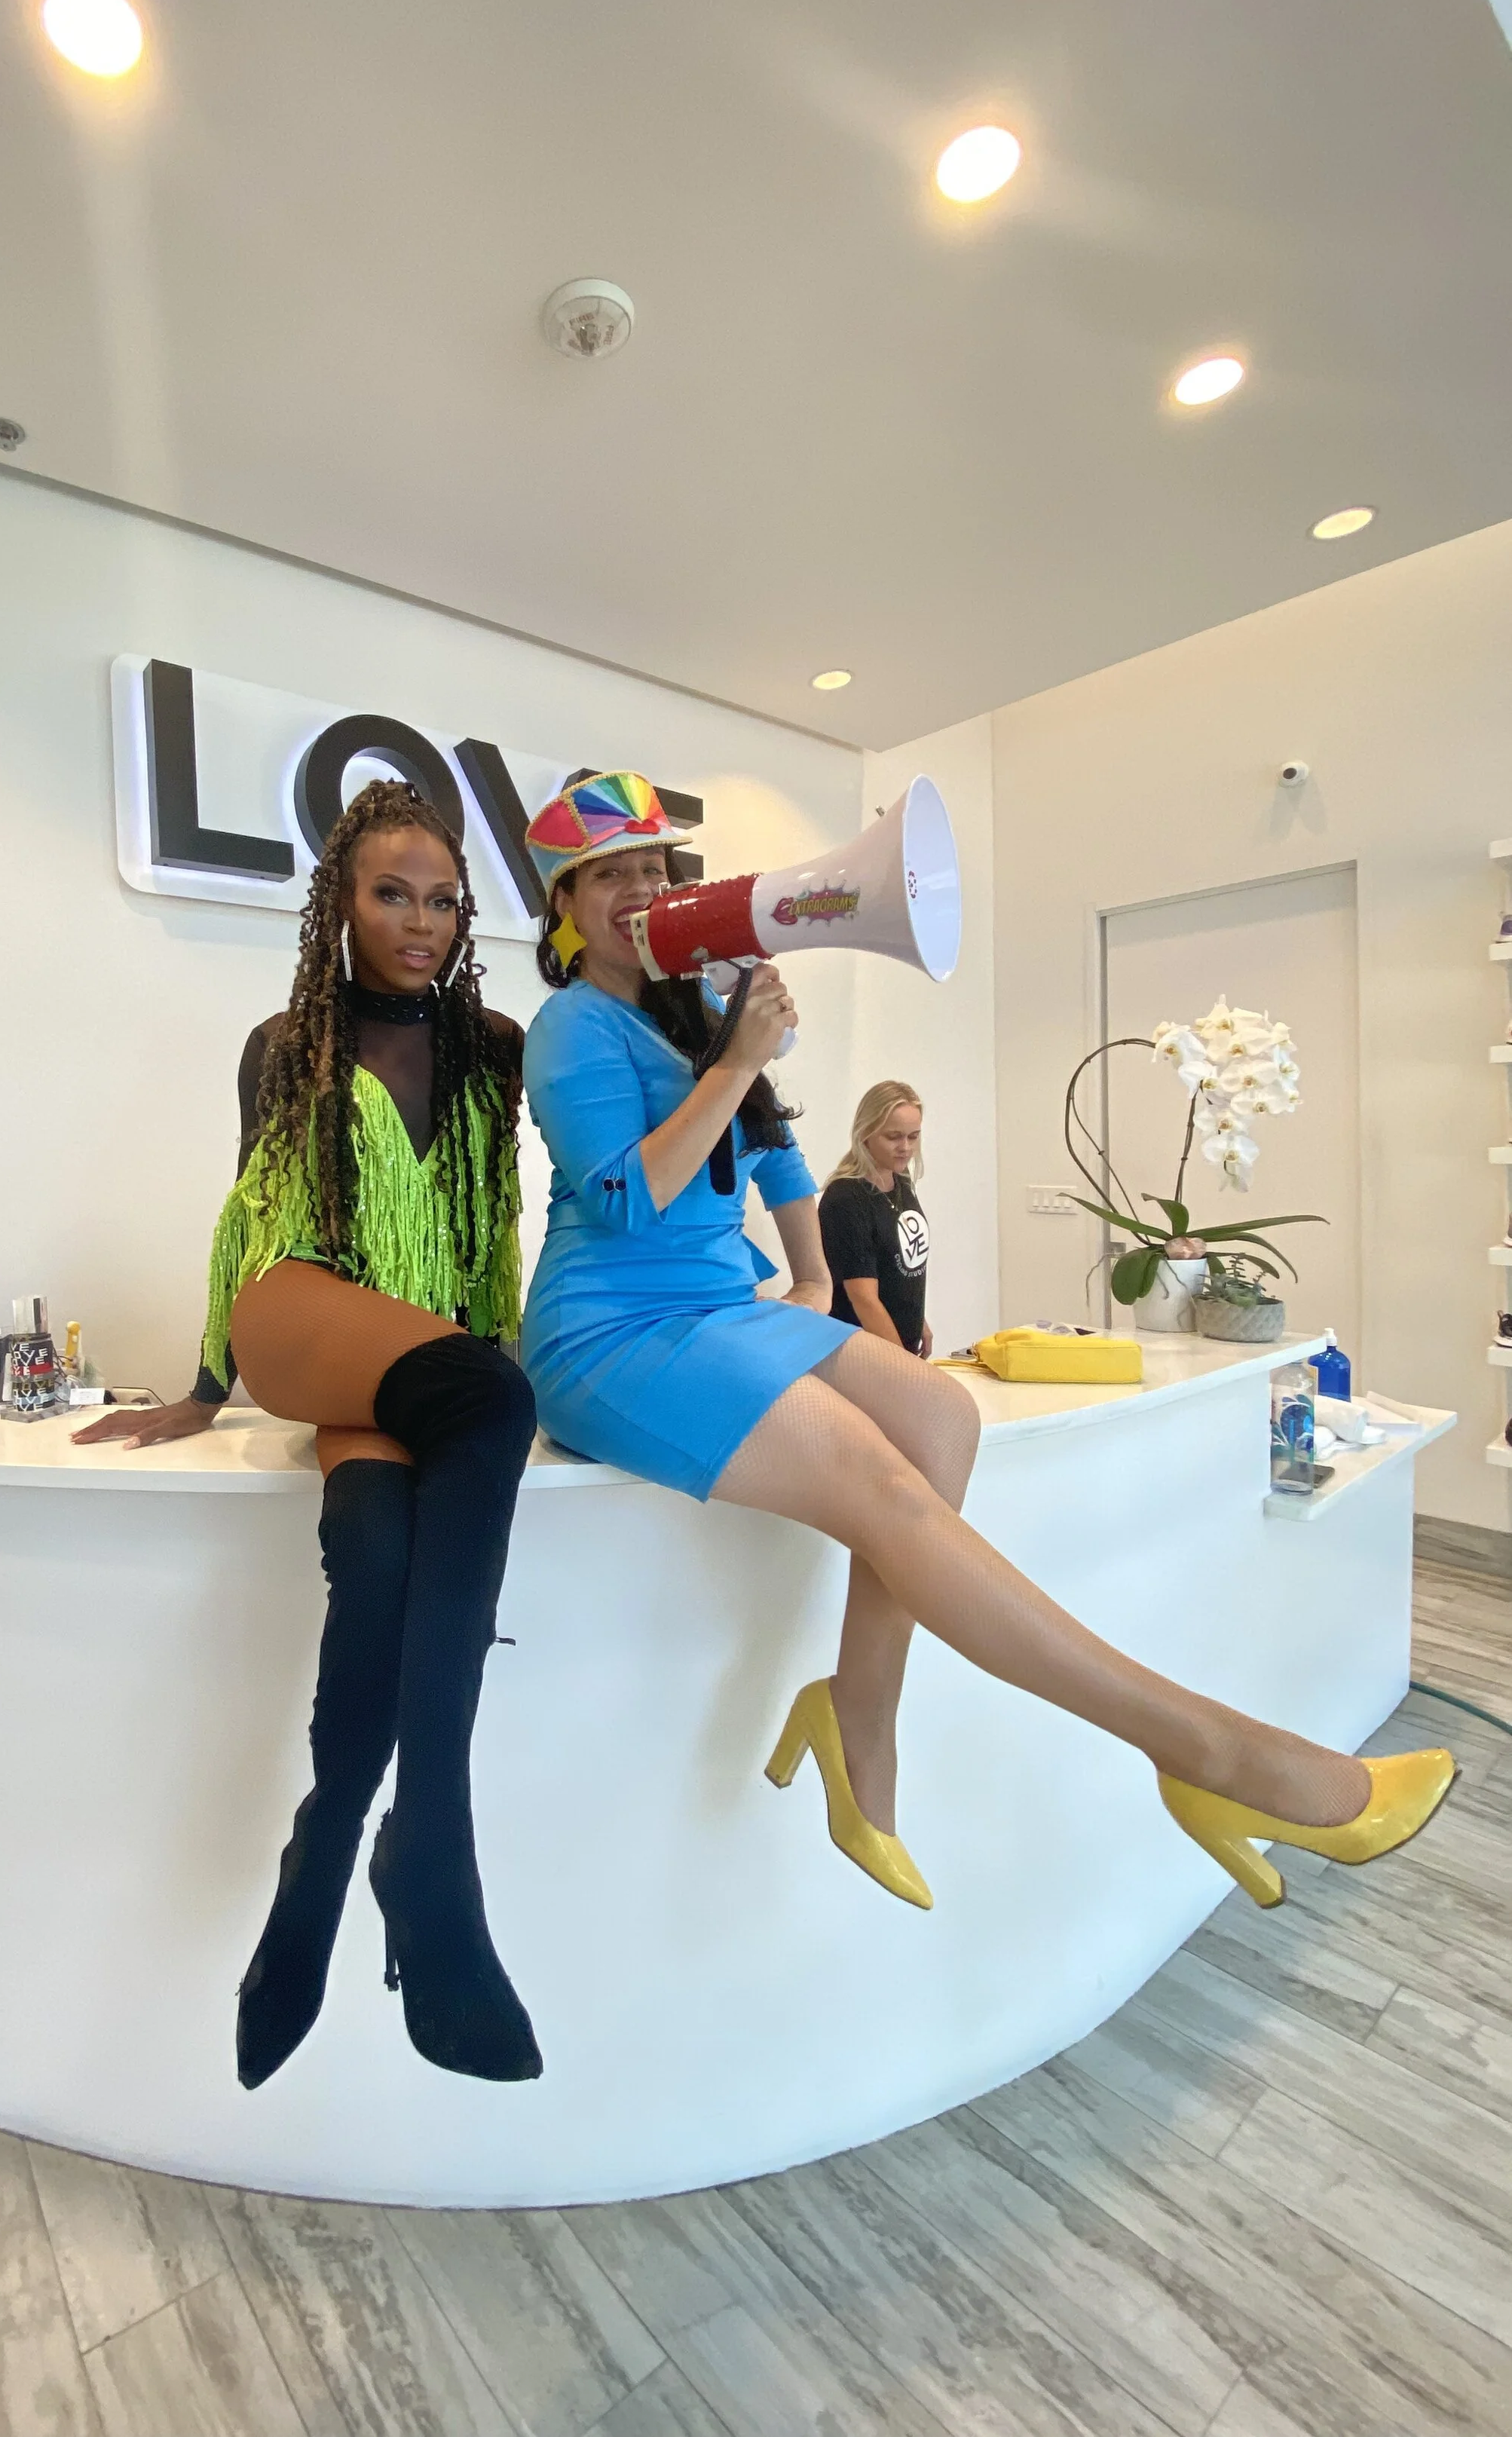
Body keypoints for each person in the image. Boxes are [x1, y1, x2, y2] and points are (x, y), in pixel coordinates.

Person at [518, 770, 1452, 1915]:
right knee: (883, 1486)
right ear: (564, 905)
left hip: (720, 1306)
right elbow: (624, 1199)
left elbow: (770, 1155)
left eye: (657, 868)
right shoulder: (570, 1025)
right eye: (610, 874)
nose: (642, 891)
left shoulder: (690, 1003)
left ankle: (858, 1709)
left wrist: (809, 1264)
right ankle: (1210, 1752)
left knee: (943, 1413)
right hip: (610, 1329)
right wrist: (736, 1062)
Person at [76, 778, 543, 2089]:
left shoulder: (493, 1050)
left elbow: (485, 1219)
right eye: (391, 891)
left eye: (444, 898)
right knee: (487, 1401)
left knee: (383, 1546)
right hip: (297, 1309)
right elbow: (247, 1210)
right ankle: (436, 1856)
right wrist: (207, 1380)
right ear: (340, 900)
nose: (422, 920)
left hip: (407, 1364)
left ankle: (327, 1845)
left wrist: (487, 1345)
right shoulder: (286, 1040)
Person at [819, 1081, 932, 1359]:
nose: (905, 1148)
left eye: (913, 1137)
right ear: (865, 1132)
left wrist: (920, 1323)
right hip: (860, 1350)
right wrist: (902, 1362)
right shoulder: (846, 1198)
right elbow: (863, 1298)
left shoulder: (900, 1182)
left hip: (897, 1341)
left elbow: (900, 1268)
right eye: (893, 1137)